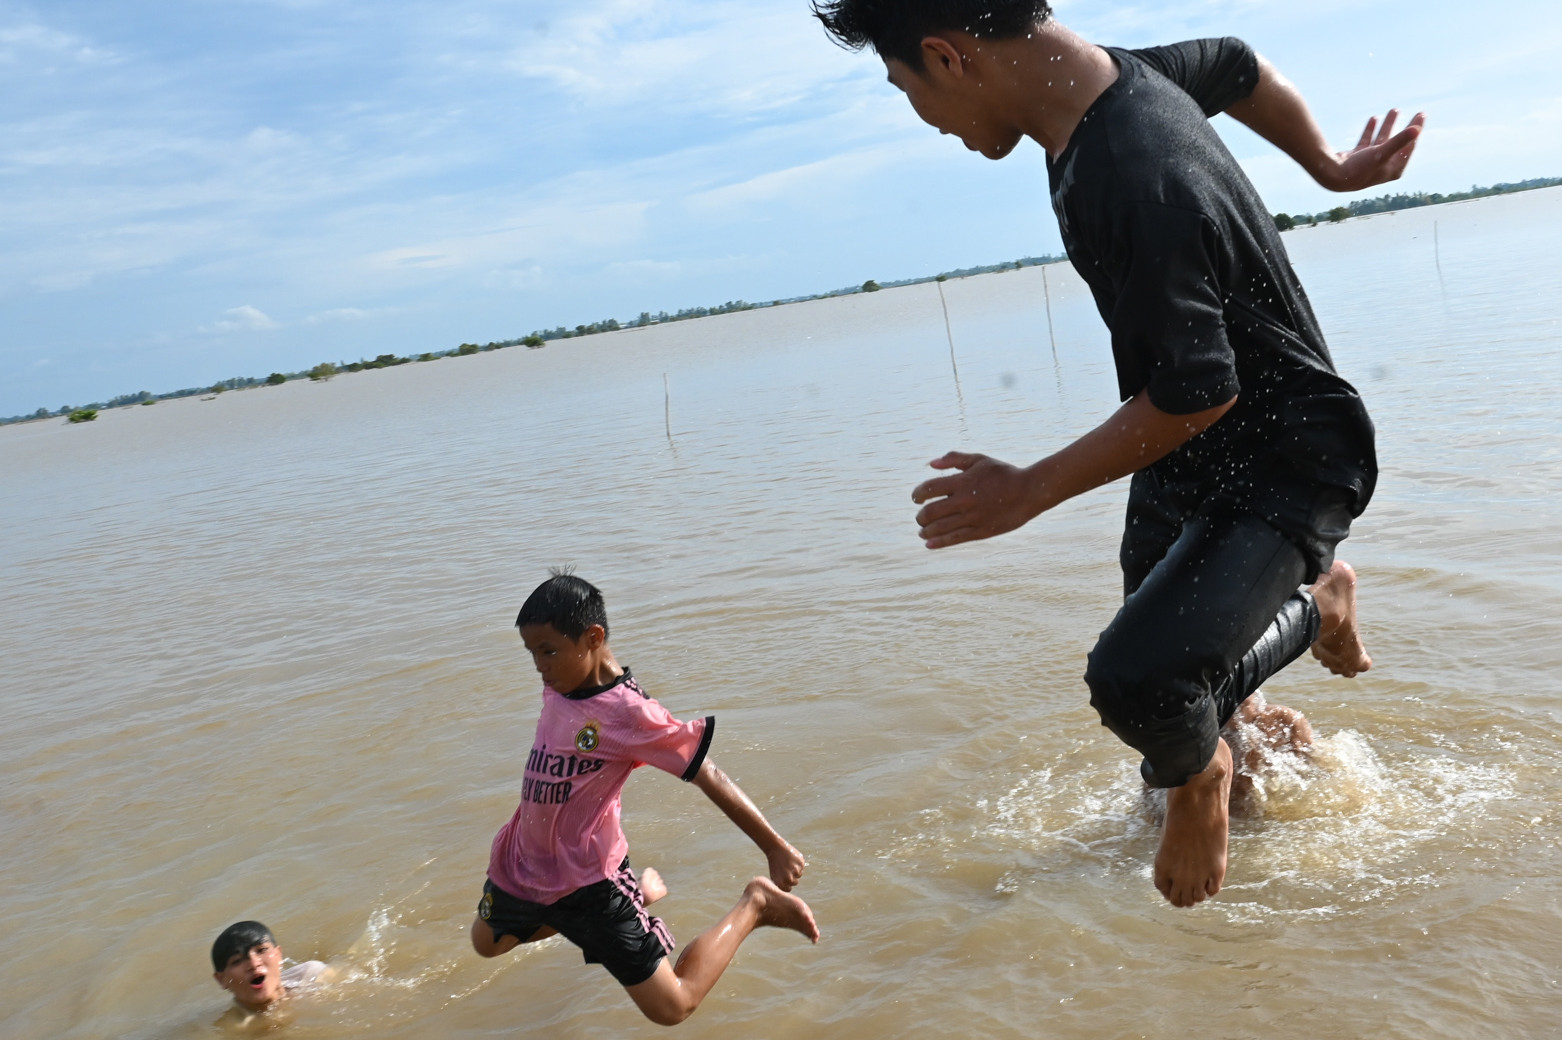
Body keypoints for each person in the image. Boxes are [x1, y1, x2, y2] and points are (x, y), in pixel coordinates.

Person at [812, 0, 1421, 907]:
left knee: (1141, 686)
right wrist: (1329, 166)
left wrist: (1029, 490)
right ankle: (1296, 648)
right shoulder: (1110, 81)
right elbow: (1239, 65)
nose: (926, 119)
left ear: (947, 56)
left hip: (1286, 451)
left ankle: (1212, 772)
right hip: (1199, 449)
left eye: (907, 90)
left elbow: (1196, 388)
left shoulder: (1131, 167)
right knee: (1176, 691)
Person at [471, 572, 819, 1025]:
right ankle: (639, 896)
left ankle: (755, 904)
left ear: (593, 638)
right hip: (526, 862)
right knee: (487, 942)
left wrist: (774, 846)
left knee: (672, 1007)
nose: (539, 665)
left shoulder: (630, 714)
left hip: (589, 881)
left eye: (548, 651)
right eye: (532, 653)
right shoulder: (559, 685)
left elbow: (707, 774)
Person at [210, 920, 333, 1025]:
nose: (253, 964)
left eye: (261, 950)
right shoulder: (230, 1030)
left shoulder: (314, 975)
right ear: (221, 980)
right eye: (237, 961)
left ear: (279, 954)